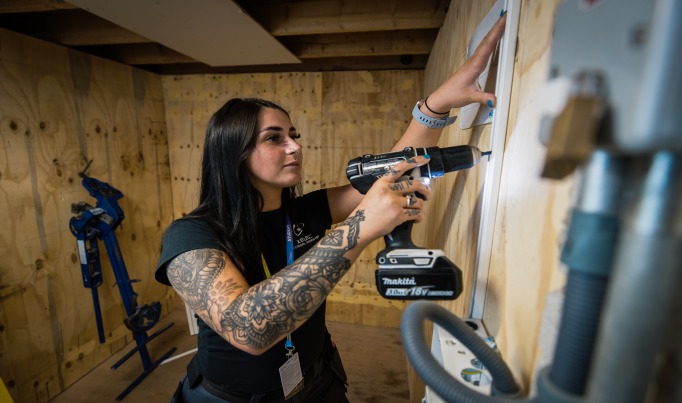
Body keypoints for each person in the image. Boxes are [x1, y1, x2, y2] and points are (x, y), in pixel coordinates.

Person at [155, 13, 507, 403]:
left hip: (317, 380)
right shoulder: (190, 236)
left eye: (293, 134)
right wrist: (358, 228)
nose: (295, 146)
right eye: (275, 138)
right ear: (233, 154)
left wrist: (436, 105)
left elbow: (389, 172)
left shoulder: (302, 212)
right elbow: (248, 329)